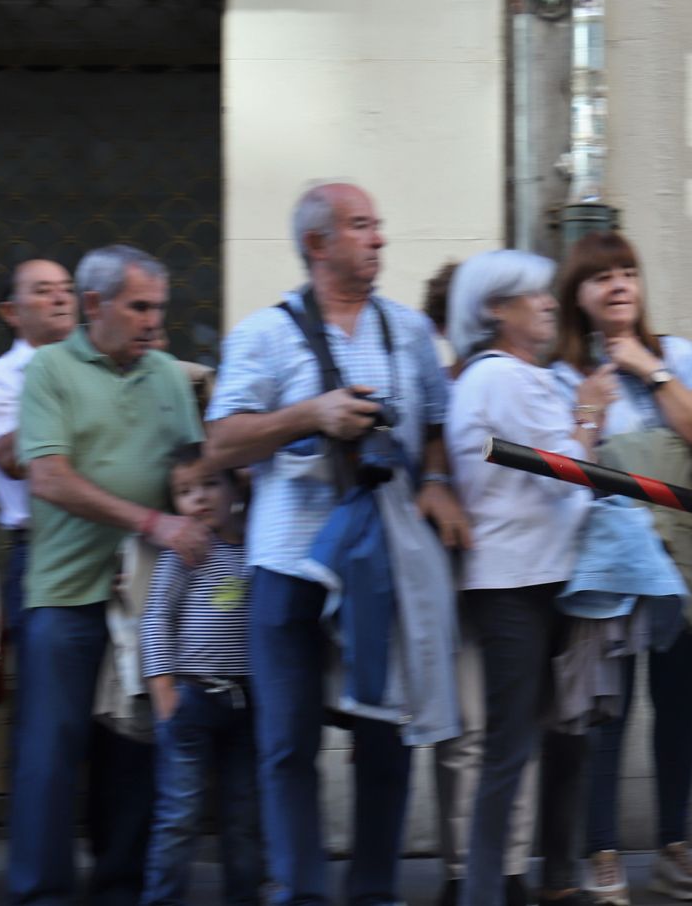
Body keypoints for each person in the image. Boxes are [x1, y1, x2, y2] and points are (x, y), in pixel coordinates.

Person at [205, 181, 469, 906]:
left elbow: (440, 427)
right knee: (288, 742)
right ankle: (301, 891)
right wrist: (312, 413)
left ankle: (374, 892)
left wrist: (439, 482)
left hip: (382, 561)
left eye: (377, 226)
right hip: (287, 559)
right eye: (360, 226)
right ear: (317, 245)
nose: (379, 238)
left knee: (383, 734)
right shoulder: (262, 334)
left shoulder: (409, 331)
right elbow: (222, 439)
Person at [9, 245, 209, 906]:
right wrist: (153, 524)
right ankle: (42, 894)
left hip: (147, 600)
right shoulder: (50, 368)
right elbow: (48, 475)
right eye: (140, 306)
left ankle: (122, 889)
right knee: (51, 756)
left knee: (134, 750)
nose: (155, 321)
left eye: (160, 307)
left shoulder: (167, 377)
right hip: (65, 594)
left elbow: (189, 469)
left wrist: (203, 489)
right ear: (95, 307)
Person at [551, 231, 692, 905]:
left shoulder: (675, 354)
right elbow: (566, 467)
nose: (619, 285)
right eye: (602, 278)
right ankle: (601, 851)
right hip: (609, 564)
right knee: (608, 711)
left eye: (628, 272)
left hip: (681, 558)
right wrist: (590, 411)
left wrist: (645, 366)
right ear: (579, 296)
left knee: (676, 708)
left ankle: (673, 845)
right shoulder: (564, 372)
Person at [444, 249, 613, 906]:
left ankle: (550, 882)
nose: (548, 304)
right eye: (532, 296)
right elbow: (571, 466)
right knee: (511, 748)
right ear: (494, 310)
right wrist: (591, 410)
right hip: (516, 586)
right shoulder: (503, 380)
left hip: (535, 580)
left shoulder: (510, 379)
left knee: (550, 738)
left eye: (548, 294)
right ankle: (485, 891)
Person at [422, 257, 540, 906]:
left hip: (502, 576)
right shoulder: (442, 384)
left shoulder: (512, 376)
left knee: (501, 732)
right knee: (466, 731)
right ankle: (463, 870)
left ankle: (507, 868)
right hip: (452, 577)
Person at [140, 444, 261, 905]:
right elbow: (155, 619)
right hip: (192, 700)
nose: (200, 498)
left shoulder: (255, 546)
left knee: (243, 817)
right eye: (185, 491)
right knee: (178, 816)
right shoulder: (184, 553)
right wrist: (163, 688)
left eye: (211, 484)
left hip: (246, 704)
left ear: (236, 487)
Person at [0, 258, 78, 644]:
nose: (60, 298)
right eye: (42, 290)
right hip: (42, 552)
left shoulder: (100, 368)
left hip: (115, 547)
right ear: (10, 312)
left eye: (66, 288)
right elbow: (13, 459)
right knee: (46, 693)